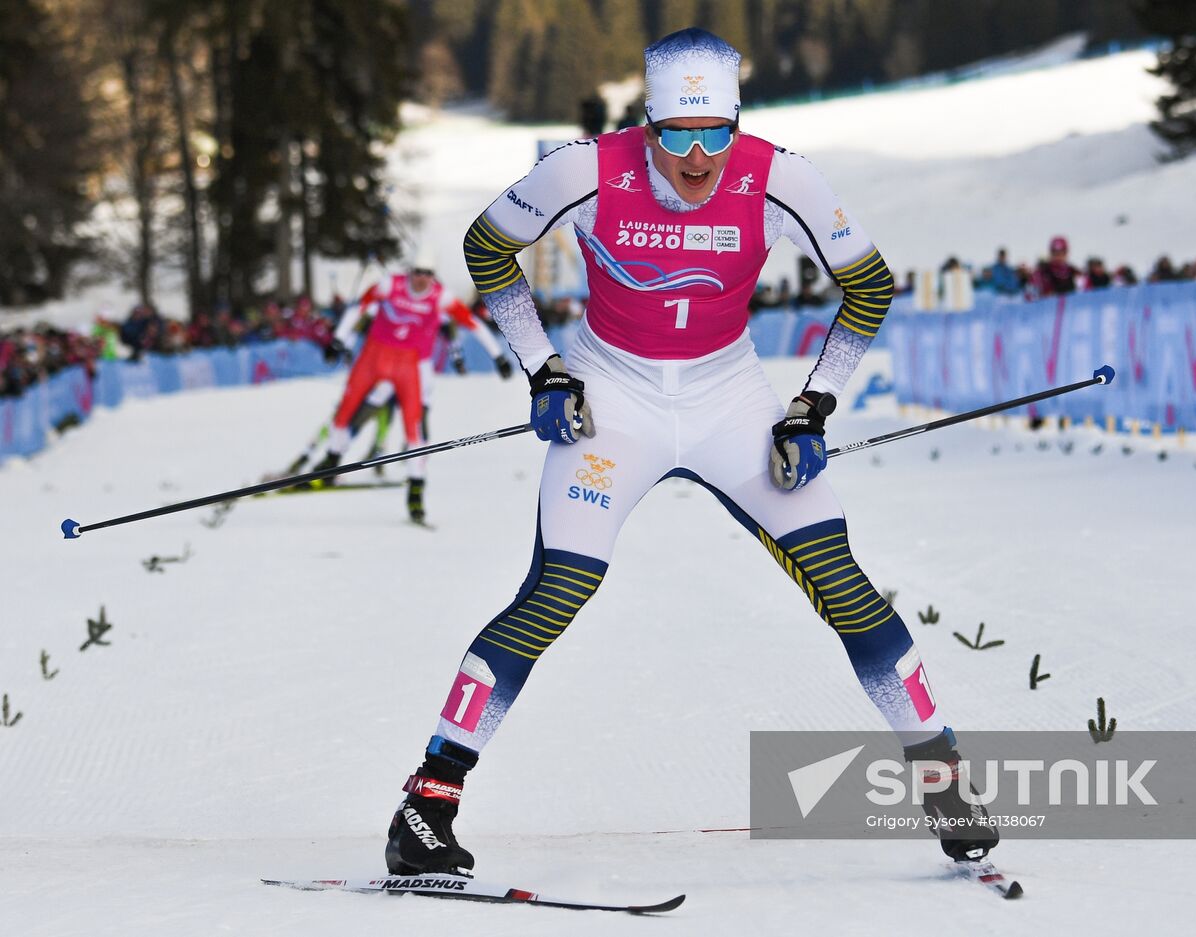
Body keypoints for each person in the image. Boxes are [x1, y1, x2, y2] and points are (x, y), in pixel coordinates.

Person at [383, 27, 997, 878]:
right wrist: (544, 370)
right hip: (614, 401)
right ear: (649, 124)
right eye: (677, 134)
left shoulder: (781, 177)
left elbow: (872, 283)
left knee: (845, 587)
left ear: (738, 124)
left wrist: (811, 407)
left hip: (728, 401)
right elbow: (488, 248)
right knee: (558, 588)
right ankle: (426, 802)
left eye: (717, 134)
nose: (700, 156)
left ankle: (946, 781)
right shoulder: (583, 169)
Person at [313, 251, 514, 524]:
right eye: (417, 272)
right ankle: (331, 462)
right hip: (374, 357)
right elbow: (358, 308)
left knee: (414, 427)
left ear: (433, 276)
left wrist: (498, 355)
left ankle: (416, 490)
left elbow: (472, 323)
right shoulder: (389, 285)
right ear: (410, 271)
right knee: (346, 411)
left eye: (427, 273)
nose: (421, 279)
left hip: (412, 366)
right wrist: (337, 341)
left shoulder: (440, 297)